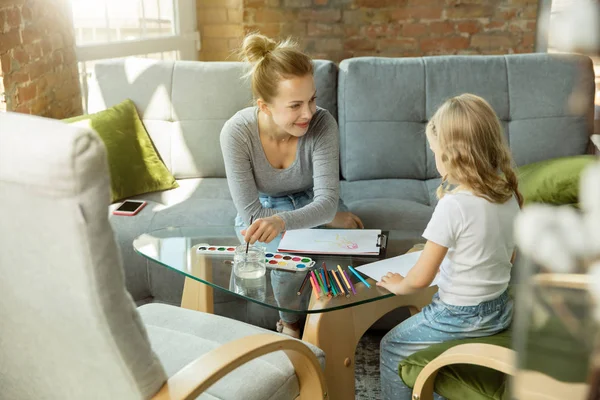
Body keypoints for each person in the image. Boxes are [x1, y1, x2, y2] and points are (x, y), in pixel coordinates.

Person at [377, 94, 523, 400]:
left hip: (457, 317)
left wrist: (398, 285)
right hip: (500, 310)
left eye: (435, 152)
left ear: (452, 155)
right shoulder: (509, 194)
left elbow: (420, 279)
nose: (434, 158)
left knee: (391, 347)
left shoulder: (454, 206)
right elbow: (508, 255)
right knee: (445, 362)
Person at [220, 33, 363, 338]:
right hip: (266, 210)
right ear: (265, 106)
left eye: (312, 99)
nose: (309, 113)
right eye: (295, 105)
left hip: (312, 202)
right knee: (288, 268)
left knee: (339, 265)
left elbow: (324, 202)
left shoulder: (323, 124)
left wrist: (327, 213)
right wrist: (319, 216)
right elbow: (253, 215)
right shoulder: (236, 132)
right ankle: (291, 325)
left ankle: (328, 330)